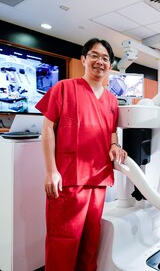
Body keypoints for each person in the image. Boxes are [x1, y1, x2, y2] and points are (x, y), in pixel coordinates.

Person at [36, 38, 127, 271]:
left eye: (106, 58)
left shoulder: (111, 100)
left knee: (90, 244)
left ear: (110, 66)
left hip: (98, 180)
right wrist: (51, 171)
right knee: (63, 243)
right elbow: (47, 129)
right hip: (67, 181)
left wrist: (115, 144)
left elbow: (111, 132)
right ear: (84, 59)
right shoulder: (64, 88)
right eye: (95, 56)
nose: (100, 61)